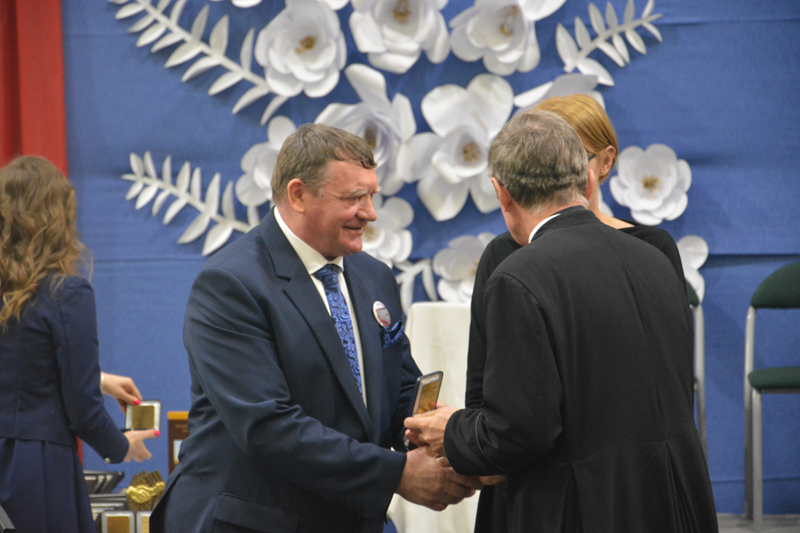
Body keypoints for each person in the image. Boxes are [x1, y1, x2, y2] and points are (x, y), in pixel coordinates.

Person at [151, 123, 480, 533]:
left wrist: (447, 441)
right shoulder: (231, 284)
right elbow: (268, 428)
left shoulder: (374, 277)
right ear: (299, 195)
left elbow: (398, 391)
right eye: (353, 198)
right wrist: (397, 474)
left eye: (372, 195)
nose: (370, 213)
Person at [405, 111, 718, 533]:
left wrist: (452, 431)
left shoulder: (520, 276)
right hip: (673, 500)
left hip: (586, 507)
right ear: (583, 179)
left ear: (502, 194)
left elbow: (519, 432)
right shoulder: (656, 258)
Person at [465, 94, 689, 532]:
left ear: (604, 163)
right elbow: (489, 392)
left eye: (568, 155)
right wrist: (480, 450)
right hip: (542, 488)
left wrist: (457, 437)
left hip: (615, 486)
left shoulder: (653, 250)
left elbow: (669, 391)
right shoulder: (506, 258)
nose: (551, 168)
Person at [0, 156, 157, 533]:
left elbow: (18, 363)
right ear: (58, 217)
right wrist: (122, 446)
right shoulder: (66, 292)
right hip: (35, 470)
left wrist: (100, 379)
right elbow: (83, 410)